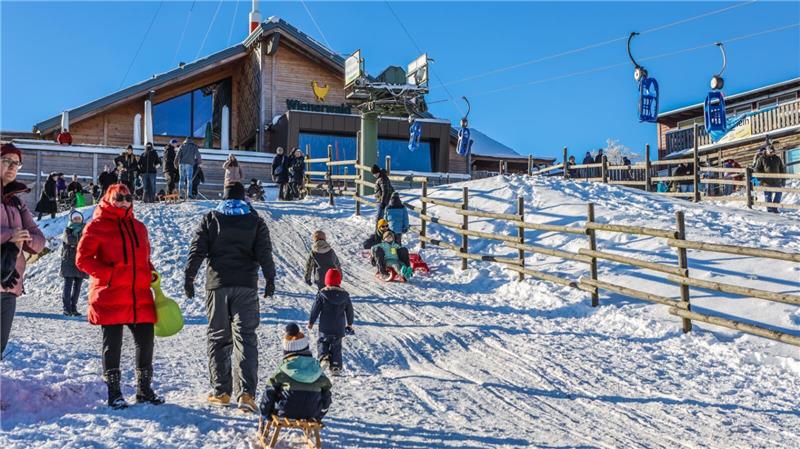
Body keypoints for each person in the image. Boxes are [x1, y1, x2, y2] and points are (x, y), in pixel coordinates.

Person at [184, 181, 276, 413]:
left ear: (223, 197)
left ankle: (221, 391)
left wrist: (189, 276)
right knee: (246, 338)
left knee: (218, 338)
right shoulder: (255, 221)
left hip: (217, 286)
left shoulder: (211, 219)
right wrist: (270, 279)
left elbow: (198, 250)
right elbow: (264, 253)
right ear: (243, 197)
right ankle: (246, 394)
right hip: (246, 286)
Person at [75, 184, 163, 409]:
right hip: (111, 293)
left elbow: (144, 257)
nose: (124, 201)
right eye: (119, 198)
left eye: (128, 197)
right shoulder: (96, 226)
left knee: (146, 341)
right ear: (109, 199)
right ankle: (114, 393)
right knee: (112, 346)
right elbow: (83, 259)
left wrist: (150, 271)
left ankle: (144, 390)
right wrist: (109, 274)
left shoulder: (139, 227)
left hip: (138, 294)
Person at [1, 144, 46, 359]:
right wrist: (10, 235)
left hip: (10, 282)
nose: (12, 166)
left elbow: (39, 238)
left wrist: (27, 239)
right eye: (6, 160)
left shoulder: (18, 202)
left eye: (16, 163)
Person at [259, 323, 332, 420]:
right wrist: (319, 415)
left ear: (287, 351)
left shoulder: (284, 369)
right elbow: (326, 395)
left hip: (285, 411)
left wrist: (265, 413)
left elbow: (269, 393)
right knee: (323, 390)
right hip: (312, 412)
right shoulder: (316, 368)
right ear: (306, 347)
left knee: (274, 388)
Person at [308, 269, 353, 375]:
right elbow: (350, 310)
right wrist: (350, 323)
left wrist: (311, 321)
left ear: (326, 281)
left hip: (325, 326)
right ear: (339, 281)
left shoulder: (322, 294)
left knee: (323, 342)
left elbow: (315, 309)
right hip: (339, 327)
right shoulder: (345, 296)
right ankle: (336, 366)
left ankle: (324, 357)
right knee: (336, 346)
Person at [60, 210, 88, 316]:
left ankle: (73, 308)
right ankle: (66, 308)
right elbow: (70, 240)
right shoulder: (67, 230)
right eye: (75, 218)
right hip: (68, 261)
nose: (77, 220)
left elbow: (88, 242)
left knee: (78, 287)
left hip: (80, 260)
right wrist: (80, 239)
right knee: (68, 285)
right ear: (71, 220)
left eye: (78, 218)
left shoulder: (85, 230)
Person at [754, 144, 786, 213]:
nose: (772, 153)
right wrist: (761, 178)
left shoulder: (777, 158)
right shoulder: (761, 159)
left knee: (779, 194)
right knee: (768, 196)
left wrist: (783, 179)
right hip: (766, 181)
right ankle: (770, 210)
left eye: (773, 151)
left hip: (777, 181)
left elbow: (782, 169)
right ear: (767, 151)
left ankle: (775, 208)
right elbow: (757, 169)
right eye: (770, 151)